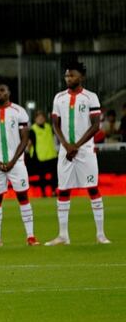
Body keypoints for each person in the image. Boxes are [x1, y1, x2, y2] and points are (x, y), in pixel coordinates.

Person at [47, 61, 110, 245]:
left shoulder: (91, 97)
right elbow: (55, 124)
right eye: (67, 75)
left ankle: (100, 234)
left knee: (93, 188)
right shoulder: (59, 97)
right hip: (65, 151)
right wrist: (66, 145)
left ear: (81, 77)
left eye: (72, 75)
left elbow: (96, 125)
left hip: (85, 151)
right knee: (63, 190)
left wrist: (76, 146)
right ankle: (63, 235)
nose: (68, 78)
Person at [0, 82, 36, 247]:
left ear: (8, 92)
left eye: (2, 90)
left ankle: (31, 236)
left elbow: (25, 138)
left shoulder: (19, 111)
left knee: (22, 196)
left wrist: (13, 160)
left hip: (16, 163)